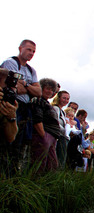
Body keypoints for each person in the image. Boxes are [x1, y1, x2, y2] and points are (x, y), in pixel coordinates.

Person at [1, 40, 41, 172]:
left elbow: (38, 92)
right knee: (9, 140)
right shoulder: (11, 63)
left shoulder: (31, 70)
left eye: (34, 51)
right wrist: (29, 89)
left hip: (26, 108)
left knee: (22, 142)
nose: (31, 53)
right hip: (12, 104)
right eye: (29, 49)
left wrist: (25, 85)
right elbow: (12, 86)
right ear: (20, 48)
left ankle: (14, 174)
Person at [30, 78, 60, 172]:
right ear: (41, 88)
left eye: (52, 90)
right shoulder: (38, 101)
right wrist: (43, 136)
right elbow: (37, 119)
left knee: (52, 164)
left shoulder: (46, 103)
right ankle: (34, 183)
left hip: (52, 136)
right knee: (39, 163)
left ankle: (46, 184)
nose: (50, 91)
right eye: (47, 88)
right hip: (44, 135)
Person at [52, 90, 71, 168]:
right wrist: (65, 131)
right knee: (59, 159)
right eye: (64, 98)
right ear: (58, 98)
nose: (66, 100)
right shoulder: (55, 108)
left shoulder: (62, 112)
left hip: (62, 137)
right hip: (57, 137)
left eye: (67, 99)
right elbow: (55, 122)